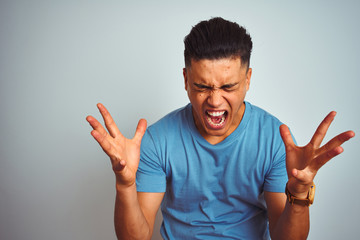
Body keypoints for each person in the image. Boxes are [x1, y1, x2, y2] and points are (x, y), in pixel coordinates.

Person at [86, 17, 355, 239]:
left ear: (247, 79)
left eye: (228, 87)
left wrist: (298, 194)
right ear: (186, 80)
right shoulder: (158, 139)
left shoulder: (274, 139)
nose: (214, 101)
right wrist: (125, 185)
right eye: (202, 86)